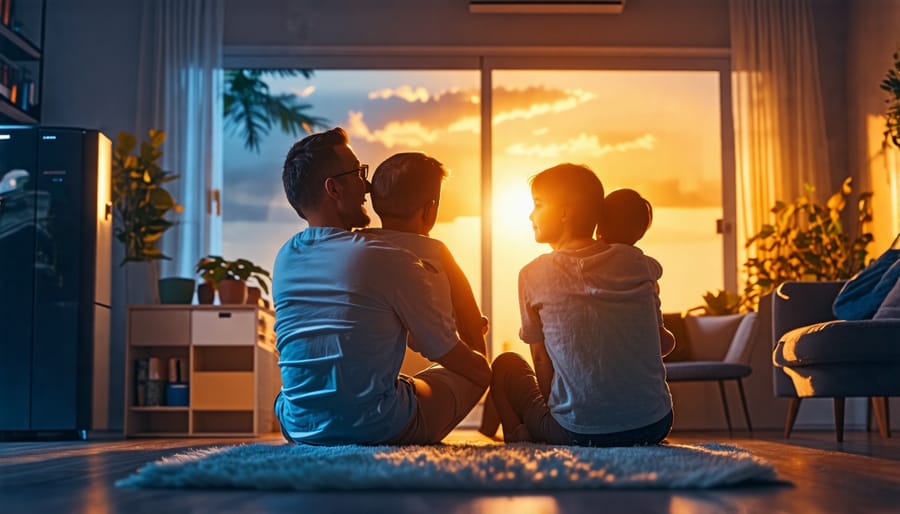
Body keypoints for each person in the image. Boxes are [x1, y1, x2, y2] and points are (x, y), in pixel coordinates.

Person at [272, 127, 491, 445]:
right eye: (358, 173)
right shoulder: (388, 258)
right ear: (333, 188)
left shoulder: (285, 256)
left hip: (297, 426)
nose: (367, 185)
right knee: (476, 372)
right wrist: (479, 360)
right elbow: (449, 354)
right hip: (377, 428)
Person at [490, 163, 673, 446]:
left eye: (537, 205)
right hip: (655, 423)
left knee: (505, 366)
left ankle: (519, 437)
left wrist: (560, 414)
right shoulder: (638, 263)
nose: (530, 215)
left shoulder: (531, 275)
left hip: (577, 432)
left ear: (565, 212)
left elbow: (541, 359)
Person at [597, 187, 676, 357]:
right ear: (640, 232)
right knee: (668, 341)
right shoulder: (646, 266)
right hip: (641, 352)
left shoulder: (589, 262)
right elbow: (662, 344)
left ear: (599, 224)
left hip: (602, 348)